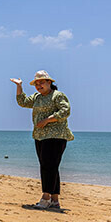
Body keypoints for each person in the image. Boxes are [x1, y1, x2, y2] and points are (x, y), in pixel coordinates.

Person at [11, 70, 73, 209]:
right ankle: (55, 201)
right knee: (50, 167)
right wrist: (19, 86)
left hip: (56, 136)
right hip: (40, 136)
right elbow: (22, 102)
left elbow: (65, 110)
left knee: (48, 167)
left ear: (49, 82)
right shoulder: (37, 97)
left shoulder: (57, 95)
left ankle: (45, 198)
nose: (39, 85)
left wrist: (47, 120)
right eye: (36, 83)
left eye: (42, 82)